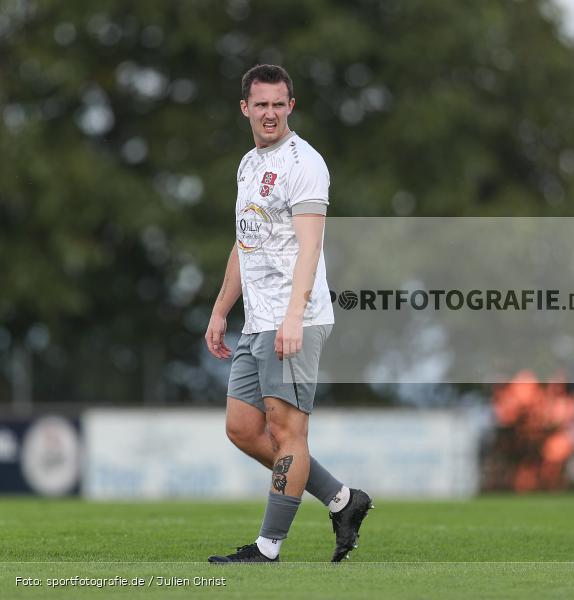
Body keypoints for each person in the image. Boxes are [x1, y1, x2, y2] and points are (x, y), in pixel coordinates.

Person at [204, 64, 373, 562]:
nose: (270, 113)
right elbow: (245, 241)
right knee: (242, 428)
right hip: (256, 319)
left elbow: (310, 247)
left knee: (288, 433)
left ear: (290, 106)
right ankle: (343, 501)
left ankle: (268, 546)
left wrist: (294, 317)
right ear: (246, 109)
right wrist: (220, 311)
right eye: (261, 105)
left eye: (279, 104)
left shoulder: (305, 163)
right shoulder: (247, 164)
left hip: (294, 317)